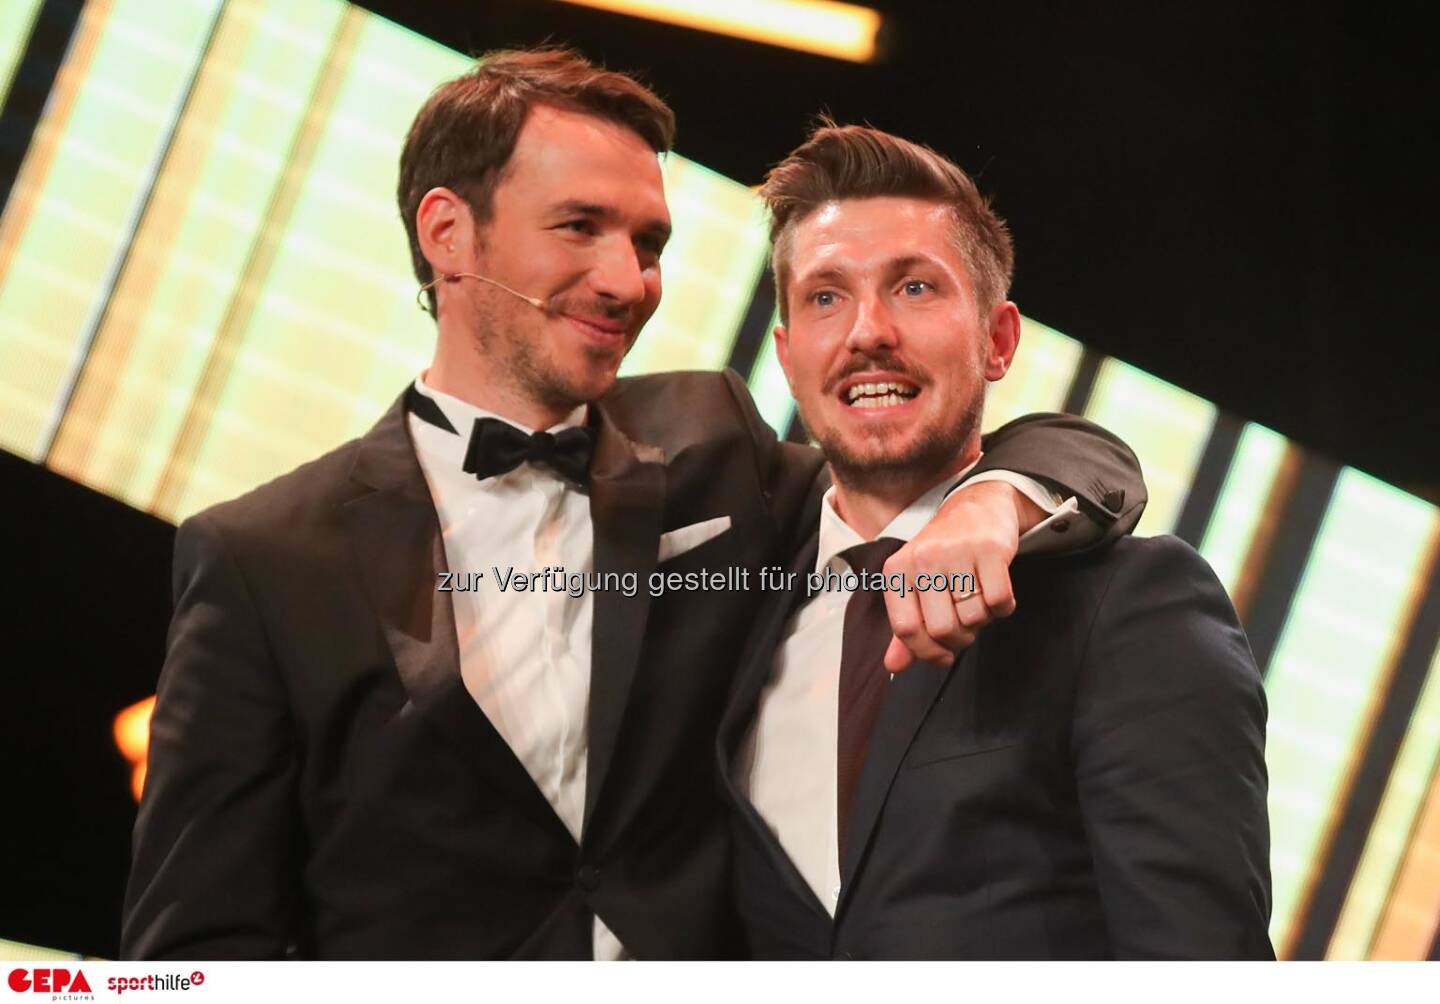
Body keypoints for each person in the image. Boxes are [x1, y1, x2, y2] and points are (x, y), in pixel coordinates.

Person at [121, 50, 1146, 960]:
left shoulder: (715, 446)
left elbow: (1062, 452)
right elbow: (198, 947)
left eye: (649, 241)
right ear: (448, 232)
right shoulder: (261, 556)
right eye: (580, 227)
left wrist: (992, 504)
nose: (627, 279)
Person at [719, 123, 1272, 959]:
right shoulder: (731, 602)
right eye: (826, 296)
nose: (868, 330)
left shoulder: (1131, 604)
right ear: (789, 357)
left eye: (914, 289)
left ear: (998, 340)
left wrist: (997, 501)